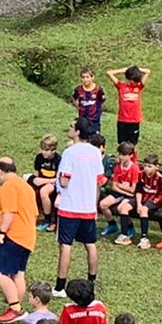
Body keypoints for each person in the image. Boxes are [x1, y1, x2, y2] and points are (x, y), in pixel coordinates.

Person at [54, 127, 104, 296]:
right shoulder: (96, 153)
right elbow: (100, 180)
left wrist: (59, 186)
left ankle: (60, 286)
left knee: (66, 245)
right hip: (88, 207)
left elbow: (65, 180)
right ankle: (91, 281)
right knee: (90, 244)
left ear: (77, 131)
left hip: (70, 206)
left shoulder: (70, 152)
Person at [0, 157, 39, 324]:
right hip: (27, 236)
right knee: (18, 273)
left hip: (13, 236)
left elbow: (9, 212)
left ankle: (15, 308)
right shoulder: (26, 186)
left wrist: (1, 232)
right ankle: (15, 305)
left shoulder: (9, 186)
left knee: (0, 272)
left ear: (1, 171)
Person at [104, 65, 150, 149]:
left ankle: (133, 160)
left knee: (133, 144)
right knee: (122, 143)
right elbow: (109, 73)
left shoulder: (139, 86)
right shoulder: (121, 86)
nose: (134, 83)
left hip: (134, 120)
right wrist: (123, 70)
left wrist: (136, 70)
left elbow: (147, 71)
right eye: (132, 81)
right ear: (128, 79)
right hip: (123, 119)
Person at [30, 134, 60, 230]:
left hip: (54, 183)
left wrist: (45, 181)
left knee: (44, 191)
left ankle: (48, 220)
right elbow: (36, 174)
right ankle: (34, 215)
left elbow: (59, 178)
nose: (44, 152)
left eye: (46, 150)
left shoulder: (58, 160)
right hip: (41, 181)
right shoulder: (39, 158)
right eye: (42, 149)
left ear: (53, 150)